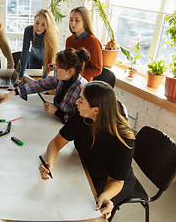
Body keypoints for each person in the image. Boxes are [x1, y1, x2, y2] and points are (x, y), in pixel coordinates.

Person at [39, 81, 136, 219]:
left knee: (83, 210)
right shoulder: (81, 117)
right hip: (86, 167)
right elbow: (56, 143)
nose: (77, 102)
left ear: (95, 110)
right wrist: (49, 164)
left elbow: (117, 181)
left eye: (81, 101)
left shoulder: (124, 139)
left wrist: (105, 195)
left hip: (112, 181)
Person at [0, 48, 89, 123]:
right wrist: (11, 93)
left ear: (70, 71)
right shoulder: (61, 79)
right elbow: (39, 84)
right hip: (53, 121)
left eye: (58, 67)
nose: (54, 70)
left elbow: (80, 120)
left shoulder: (81, 89)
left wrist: (57, 112)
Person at [19, 9, 60, 79]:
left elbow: (50, 57)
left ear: (48, 25)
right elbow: (25, 54)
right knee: (32, 80)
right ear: (34, 20)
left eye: (43, 25)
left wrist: (44, 80)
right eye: (37, 23)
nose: (39, 27)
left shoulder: (51, 34)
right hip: (34, 56)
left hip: (47, 58)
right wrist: (21, 77)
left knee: (45, 81)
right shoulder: (28, 30)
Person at [66, 6, 102, 82]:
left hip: (83, 85)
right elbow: (67, 63)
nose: (73, 23)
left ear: (85, 21)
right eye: (71, 20)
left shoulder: (93, 42)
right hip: (69, 81)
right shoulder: (69, 40)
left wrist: (75, 73)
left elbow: (97, 69)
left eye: (77, 20)